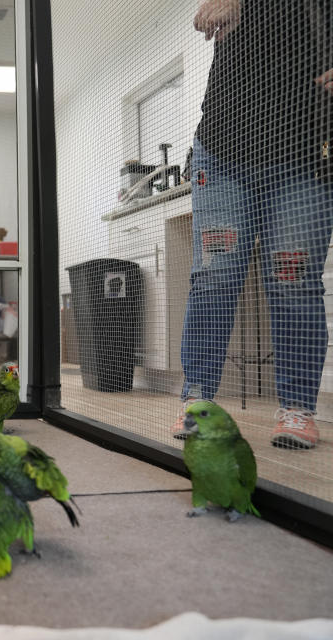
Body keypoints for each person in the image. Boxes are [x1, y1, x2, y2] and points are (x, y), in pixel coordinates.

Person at [173, 0, 332, 449]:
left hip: (306, 149)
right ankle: (198, 402)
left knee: (293, 279)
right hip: (223, 147)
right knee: (214, 277)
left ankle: (297, 409)